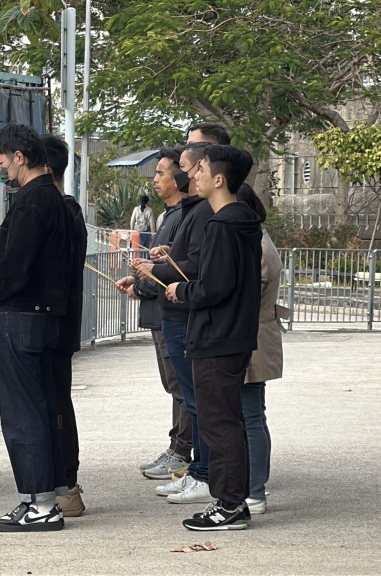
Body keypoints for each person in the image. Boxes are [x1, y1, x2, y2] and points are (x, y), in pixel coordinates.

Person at [0, 124, 75, 532]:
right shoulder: (56, 199)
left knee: (23, 413)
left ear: (20, 156)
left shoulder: (32, 202)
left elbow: (14, 268)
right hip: (45, 315)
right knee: (40, 407)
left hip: (23, 316)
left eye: (1, 158)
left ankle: (40, 504)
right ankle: (39, 498)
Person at [165, 144, 260, 531]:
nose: (194, 176)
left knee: (219, 424)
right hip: (231, 336)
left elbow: (214, 287)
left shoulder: (223, 224)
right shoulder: (241, 220)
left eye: (200, 169)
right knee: (226, 422)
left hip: (217, 337)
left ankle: (229, 504)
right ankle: (233, 500)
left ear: (219, 179)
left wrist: (181, 292)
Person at [139, 142, 214, 506]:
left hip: (184, 317)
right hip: (171, 315)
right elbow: (186, 260)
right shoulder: (189, 212)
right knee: (186, 393)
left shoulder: (207, 213)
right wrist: (163, 263)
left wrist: (159, 270)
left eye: (191, 167)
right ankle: (196, 469)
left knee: (196, 399)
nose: (191, 174)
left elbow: (198, 270)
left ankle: (200, 469)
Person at [118, 148, 193, 480]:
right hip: (158, 313)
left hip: (172, 314)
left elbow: (172, 270)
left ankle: (182, 450)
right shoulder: (168, 216)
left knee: (181, 386)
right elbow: (157, 266)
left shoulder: (184, 216)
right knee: (173, 384)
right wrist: (138, 279)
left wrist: (143, 285)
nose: (156, 180)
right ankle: (178, 445)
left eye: (161, 173)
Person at [42, 133, 88, 517]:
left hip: (54, 326)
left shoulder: (61, 210)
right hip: (60, 324)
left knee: (55, 404)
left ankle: (66, 485)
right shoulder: (66, 209)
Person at [237, 183, 284, 515]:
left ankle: (255, 489)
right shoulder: (258, 240)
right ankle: (253, 487)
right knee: (251, 415)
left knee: (251, 415)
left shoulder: (256, 246)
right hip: (255, 333)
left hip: (252, 336)